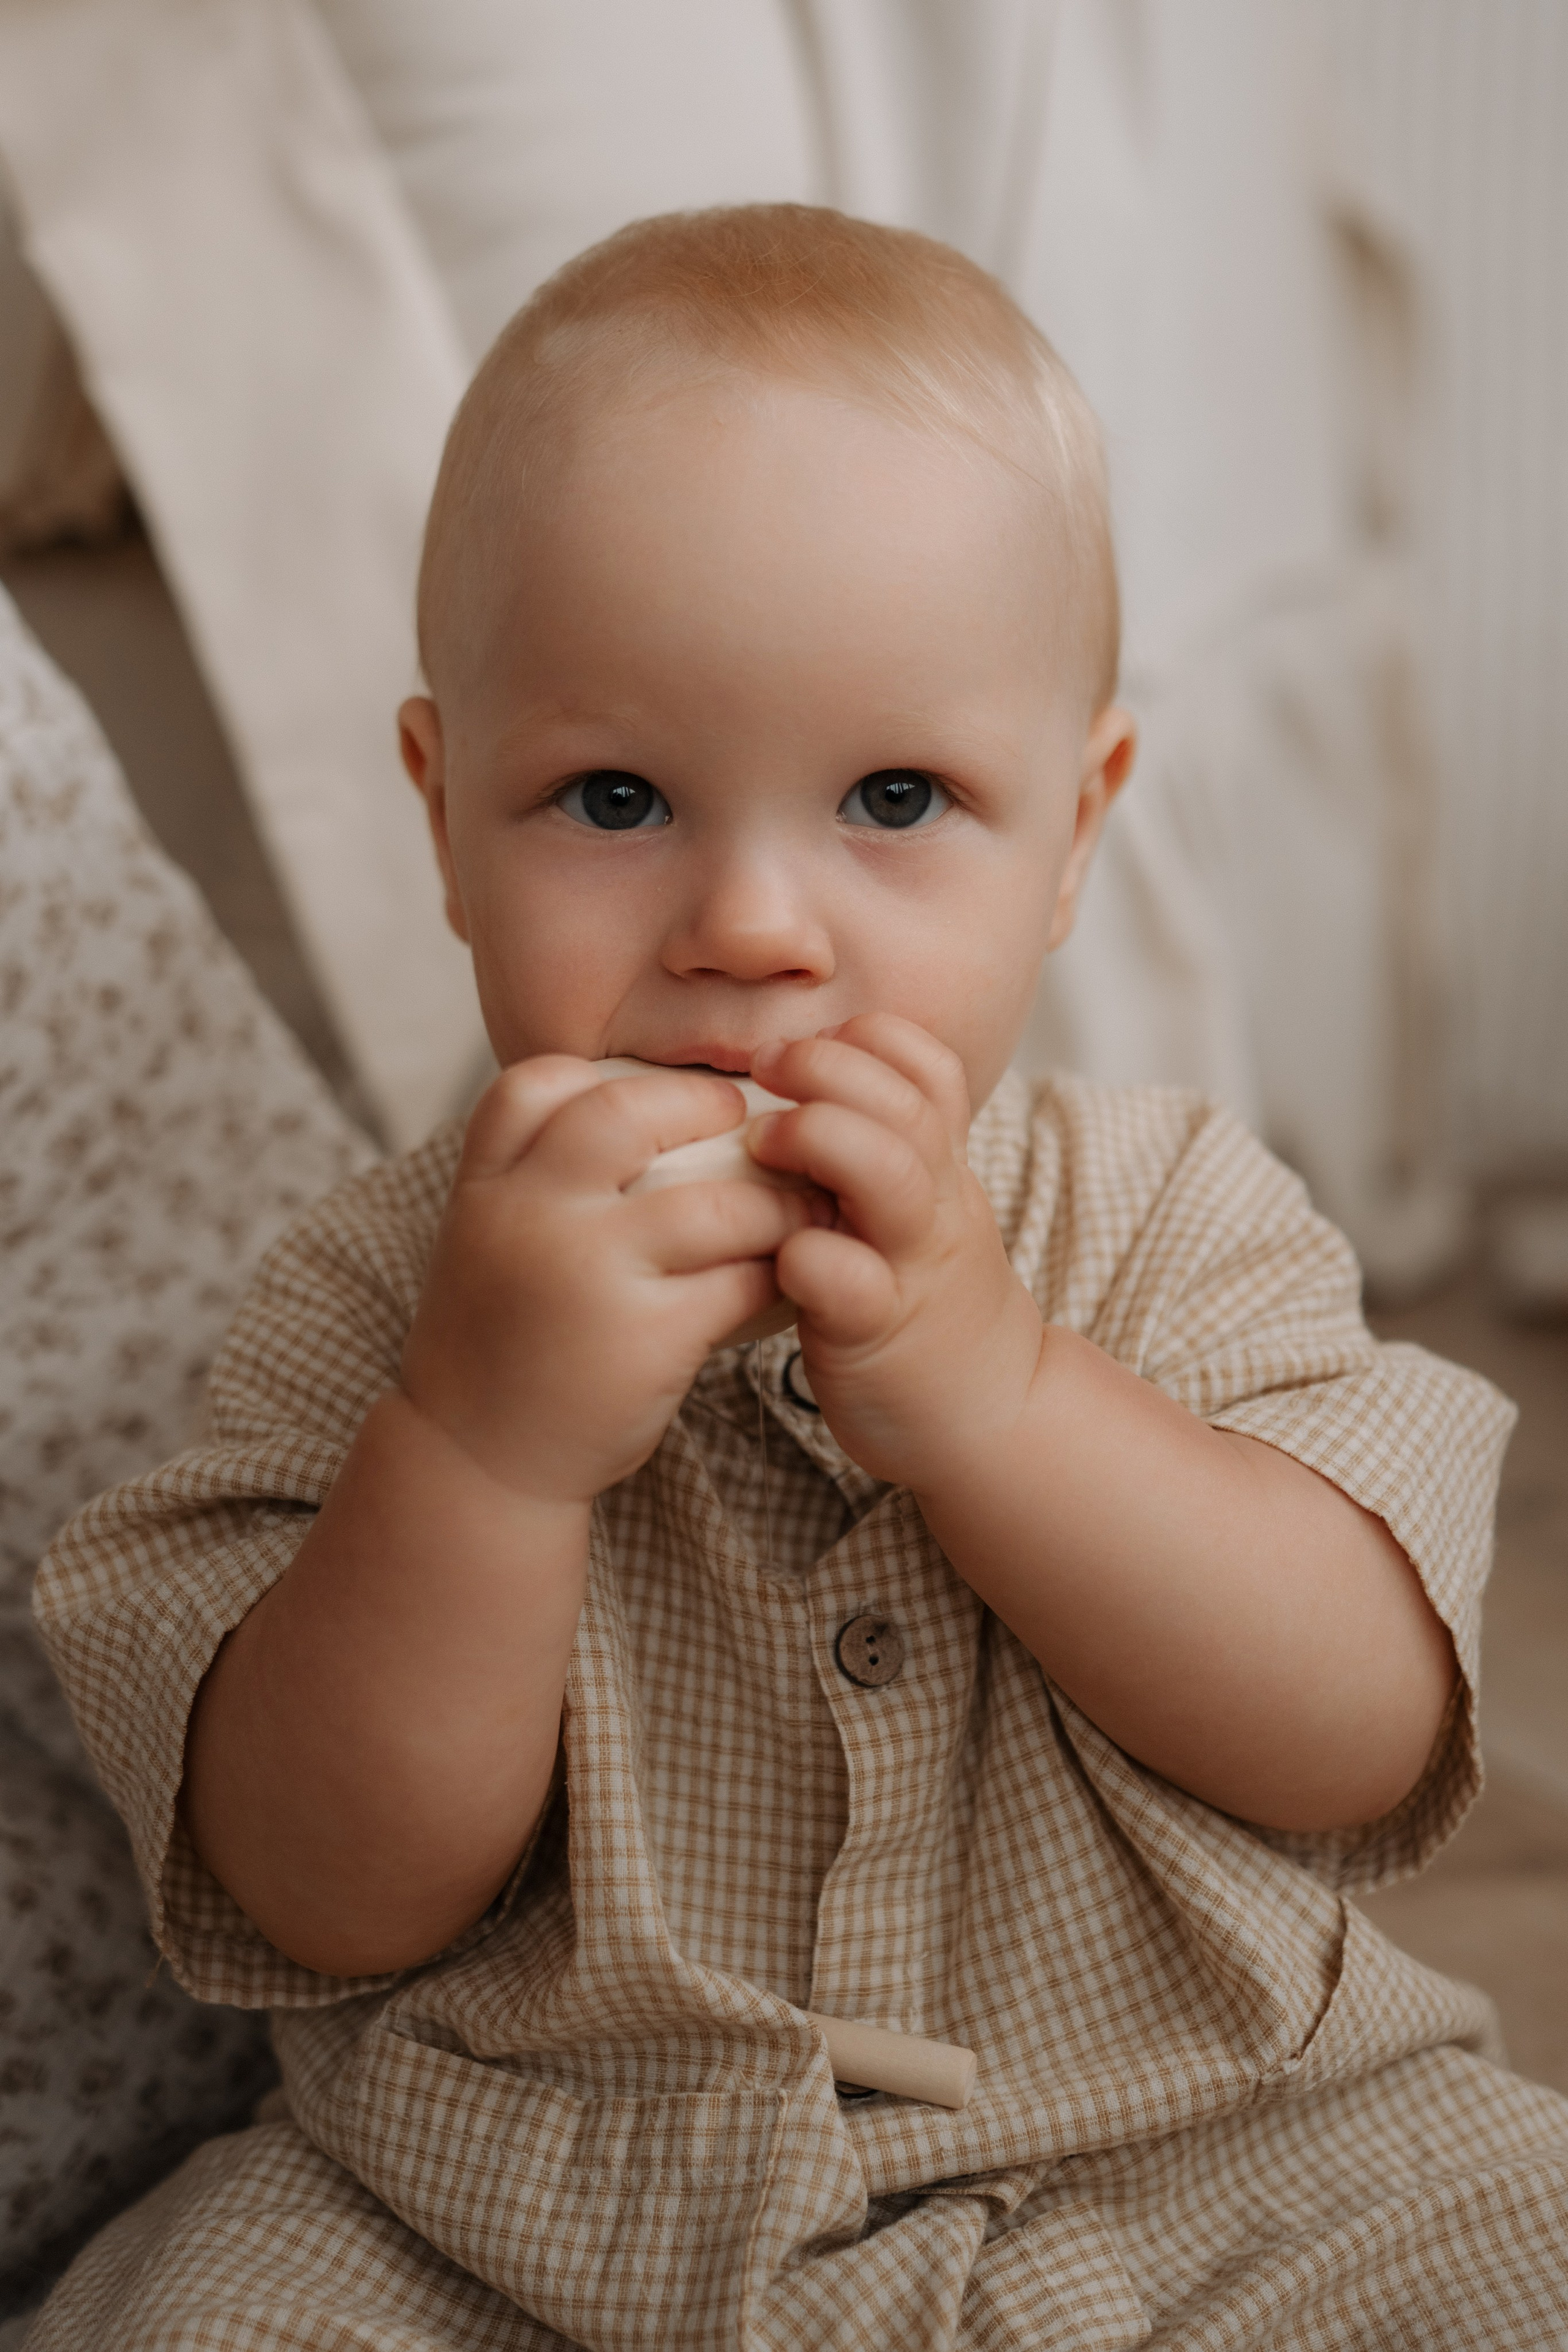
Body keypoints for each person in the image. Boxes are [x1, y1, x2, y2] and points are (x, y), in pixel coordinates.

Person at [27, 205, 1568, 2349]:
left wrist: (1002, 1395)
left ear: (1076, 832)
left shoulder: (1172, 1212)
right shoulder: (384, 1295)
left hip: (1203, 2159)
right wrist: (483, 1452)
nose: (753, 926)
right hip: (526, 2206)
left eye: (896, 797)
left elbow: (1360, 1735)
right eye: (617, 797)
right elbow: (322, 1892)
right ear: (446, 817)